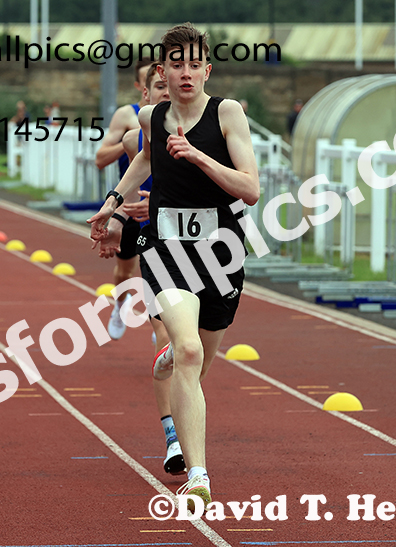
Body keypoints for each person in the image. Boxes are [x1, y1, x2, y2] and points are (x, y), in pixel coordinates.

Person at [88, 23, 259, 506]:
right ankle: (199, 475)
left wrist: (199, 156)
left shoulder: (228, 114)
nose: (185, 73)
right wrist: (113, 204)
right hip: (165, 249)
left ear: (208, 68)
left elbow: (250, 188)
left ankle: (168, 361)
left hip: (221, 252)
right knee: (188, 352)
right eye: (175, 64)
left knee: (200, 355)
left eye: (193, 63)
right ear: (162, 70)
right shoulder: (151, 116)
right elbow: (143, 161)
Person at [96, 62, 184, 476]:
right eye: (159, 87)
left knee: (195, 352)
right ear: (144, 93)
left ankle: (184, 417)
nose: (167, 92)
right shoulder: (134, 134)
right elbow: (120, 168)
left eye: (172, 86)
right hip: (149, 234)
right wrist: (114, 217)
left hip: (204, 248)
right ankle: (173, 438)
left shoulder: (209, 127)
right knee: (166, 335)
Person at [94, 56, 156, 340]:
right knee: (124, 271)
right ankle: (119, 305)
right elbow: (100, 158)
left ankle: (165, 328)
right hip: (130, 202)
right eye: (153, 83)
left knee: (156, 272)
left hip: (162, 205)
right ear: (142, 87)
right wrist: (135, 141)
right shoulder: (126, 116)